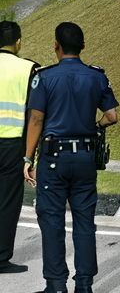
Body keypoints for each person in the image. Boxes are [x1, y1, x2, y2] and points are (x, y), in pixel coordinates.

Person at [23, 23, 118, 293]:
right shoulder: (97, 76)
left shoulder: (45, 77)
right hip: (86, 157)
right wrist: (95, 127)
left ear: (56, 46)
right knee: (84, 222)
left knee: (52, 221)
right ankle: (84, 285)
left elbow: (36, 120)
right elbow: (111, 116)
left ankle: (55, 285)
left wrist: (28, 158)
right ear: (83, 47)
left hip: (53, 159)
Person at [0, 20, 36, 275]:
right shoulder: (30, 69)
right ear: (18, 42)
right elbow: (36, 112)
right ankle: (1, 258)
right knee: (8, 200)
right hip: (12, 144)